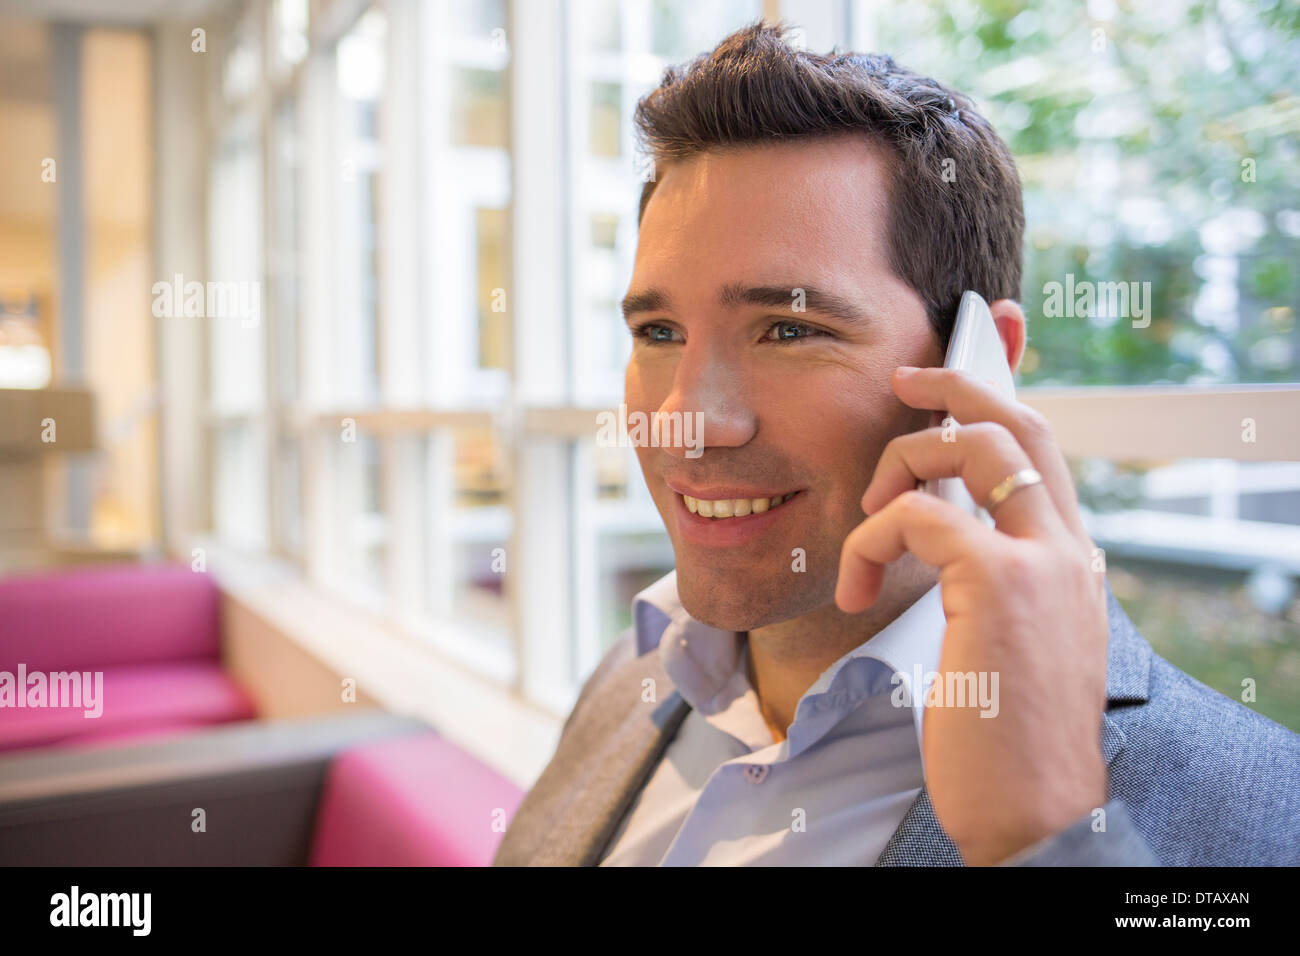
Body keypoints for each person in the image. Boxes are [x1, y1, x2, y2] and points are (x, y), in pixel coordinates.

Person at [493, 21, 1300, 866]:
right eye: (658, 332)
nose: (685, 421)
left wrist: (1041, 841)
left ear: (984, 365)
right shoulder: (632, 673)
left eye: (788, 329)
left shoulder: (1257, 818)